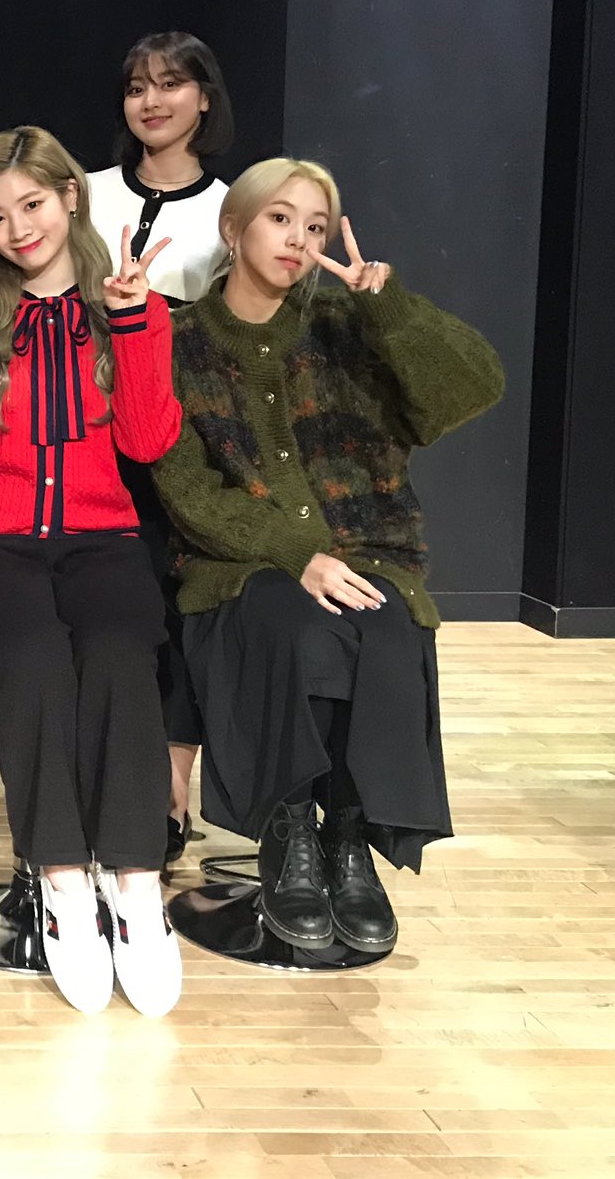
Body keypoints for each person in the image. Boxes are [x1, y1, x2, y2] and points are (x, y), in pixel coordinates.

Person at [154, 158, 503, 952]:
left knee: (387, 629)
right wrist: (294, 551)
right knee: (291, 625)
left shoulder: (349, 326)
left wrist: (392, 309)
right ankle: (289, 840)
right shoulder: (180, 342)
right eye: (280, 219)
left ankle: (348, 838)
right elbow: (188, 491)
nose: (299, 240)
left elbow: (475, 387)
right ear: (233, 228)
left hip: (367, 548)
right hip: (238, 564)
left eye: (315, 226)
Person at [0, 127, 185, 1016]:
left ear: (71, 196)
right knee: (35, 662)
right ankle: (64, 883)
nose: (19, 228)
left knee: (117, 657)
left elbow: (148, 439)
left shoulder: (130, 308)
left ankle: (136, 889)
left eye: (32, 204)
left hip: (101, 539)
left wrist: (135, 322)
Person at [85, 30, 237, 865]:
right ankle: (116, 773)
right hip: (90, 432)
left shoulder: (233, 208)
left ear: (204, 98)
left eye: (172, 84)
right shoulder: (86, 192)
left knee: (186, 604)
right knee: (119, 604)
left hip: (193, 435)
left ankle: (172, 785)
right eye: (138, 86)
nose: (152, 101)